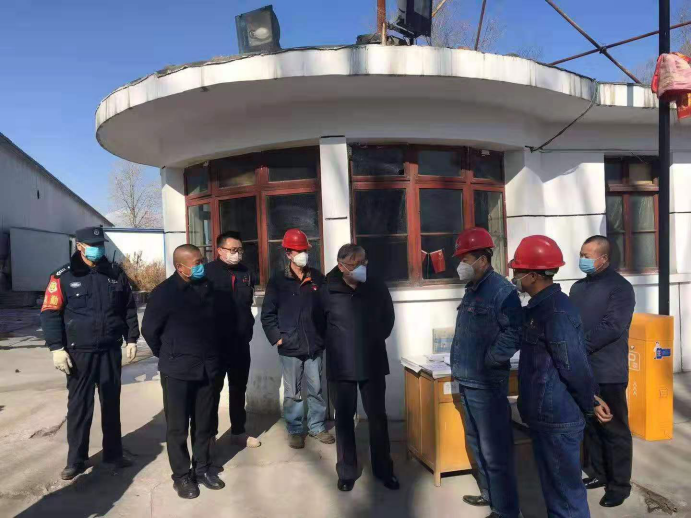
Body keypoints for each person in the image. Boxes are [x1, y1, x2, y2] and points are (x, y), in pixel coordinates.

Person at [510, 235, 611, 519]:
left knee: (566, 497)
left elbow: (574, 366)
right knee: (555, 492)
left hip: (557, 417)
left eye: (518, 271)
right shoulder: (538, 308)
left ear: (532, 275)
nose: (515, 277)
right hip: (544, 415)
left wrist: (590, 401)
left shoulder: (556, 312)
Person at [40, 226, 139, 481]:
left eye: (100, 244)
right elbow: (50, 313)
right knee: (79, 407)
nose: (98, 249)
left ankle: (113, 454)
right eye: (93, 245)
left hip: (109, 350)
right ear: (80, 246)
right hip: (78, 353)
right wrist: (56, 348)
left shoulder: (115, 273)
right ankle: (76, 460)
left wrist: (131, 338)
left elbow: (128, 308)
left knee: (111, 404)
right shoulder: (63, 276)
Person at [448, 228, 522, 519]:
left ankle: (506, 510)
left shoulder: (502, 291)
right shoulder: (473, 288)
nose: (461, 265)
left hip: (487, 383)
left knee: (495, 449)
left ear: (482, 259)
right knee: (477, 442)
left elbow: (514, 332)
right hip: (468, 379)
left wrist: (491, 359)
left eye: (465, 259)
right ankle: (490, 495)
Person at [141, 244, 225, 499]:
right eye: (197, 262)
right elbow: (150, 331)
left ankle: (202, 469)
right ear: (181, 267)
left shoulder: (208, 288)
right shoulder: (164, 293)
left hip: (207, 368)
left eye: (202, 260)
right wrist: (170, 354)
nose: (202, 265)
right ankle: (181, 476)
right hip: (177, 370)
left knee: (204, 423)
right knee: (178, 427)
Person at [314, 244, 398, 493]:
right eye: (354, 264)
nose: (361, 268)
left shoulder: (376, 285)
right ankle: (347, 471)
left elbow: (388, 318)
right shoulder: (327, 290)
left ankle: (384, 470)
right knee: (343, 420)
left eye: (363, 262)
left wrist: (372, 340)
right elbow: (318, 323)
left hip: (372, 361)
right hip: (341, 365)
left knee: (378, 418)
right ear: (341, 266)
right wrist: (338, 344)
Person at [570, 235, 636, 509]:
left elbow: (613, 326)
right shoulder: (577, 288)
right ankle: (599, 472)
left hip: (608, 371)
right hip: (582, 369)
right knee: (591, 427)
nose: (582, 259)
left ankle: (619, 485)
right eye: (581, 254)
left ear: (604, 258)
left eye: (588, 255)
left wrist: (579, 346)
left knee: (613, 428)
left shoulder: (620, 288)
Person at [261, 229, 335, 449]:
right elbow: (268, 314)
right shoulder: (278, 281)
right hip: (290, 346)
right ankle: (294, 429)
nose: (303, 254)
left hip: (314, 345)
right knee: (292, 392)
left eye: (305, 250)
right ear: (288, 253)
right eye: (298, 250)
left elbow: (328, 309)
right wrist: (278, 338)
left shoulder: (317, 278)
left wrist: (324, 336)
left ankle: (316, 427)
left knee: (316, 389)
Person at [205, 231, 261, 450]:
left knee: (238, 388)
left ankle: (238, 431)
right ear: (219, 250)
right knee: (212, 391)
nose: (237, 254)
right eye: (232, 250)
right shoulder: (207, 273)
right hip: (215, 345)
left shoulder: (246, 272)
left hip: (240, 343)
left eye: (239, 250)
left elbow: (247, 303)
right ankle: (209, 436)